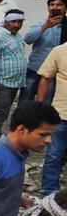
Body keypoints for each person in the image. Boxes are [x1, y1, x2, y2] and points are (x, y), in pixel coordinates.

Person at [0, 9, 27, 141]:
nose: (16, 25)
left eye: (20, 22)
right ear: (6, 22)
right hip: (3, 82)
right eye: (13, 21)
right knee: (1, 113)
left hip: (15, 82)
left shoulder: (17, 36)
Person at [38, 42, 67, 195]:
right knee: (54, 156)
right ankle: (49, 194)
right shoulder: (60, 51)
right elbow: (45, 78)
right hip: (61, 116)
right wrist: (39, 108)